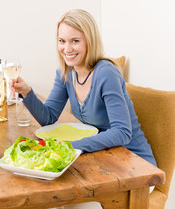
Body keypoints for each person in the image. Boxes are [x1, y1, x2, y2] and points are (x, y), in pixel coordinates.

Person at [11, 9, 157, 167]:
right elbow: (48, 118)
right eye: (62, 41)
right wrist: (26, 92)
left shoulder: (106, 73)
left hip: (136, 164)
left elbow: (122, 132)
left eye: (75, 41)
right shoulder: (65, 73)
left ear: (90, 41)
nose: (67, 49)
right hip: (103, 158)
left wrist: (72, 146)